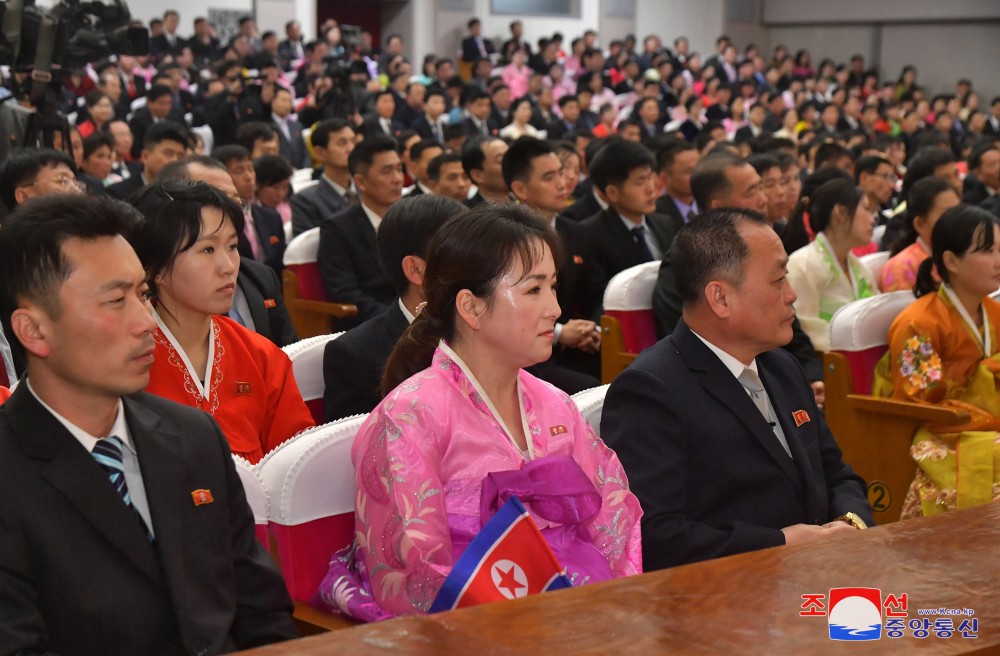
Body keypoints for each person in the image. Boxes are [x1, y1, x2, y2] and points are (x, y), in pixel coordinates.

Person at [0, 193, 297, 653]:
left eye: (142, 294)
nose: (145, 321)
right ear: (34, 331)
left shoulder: (193, 435)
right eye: (116, 300)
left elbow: (260, 609)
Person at [313, 205, 642, 620]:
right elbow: (413, 577)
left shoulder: (554, 403)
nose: (556, 309)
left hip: (575, 608)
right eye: (534, 290)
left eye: (554, 287)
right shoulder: (408, 419)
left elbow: (613, 521)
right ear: (470, 307)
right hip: (475, 623)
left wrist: (613, 608)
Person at [602, 208, 872, 571]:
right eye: (778, 280)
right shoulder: (651, 391)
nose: (791, 295)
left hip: (817, 574)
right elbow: (653, 536)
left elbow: (837, 474)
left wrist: (848, 524)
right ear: (720, 298)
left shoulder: (781, 366)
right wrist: (781, 543)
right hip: (728, 596)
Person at [128, 180, 314, 463]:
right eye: (207, 250)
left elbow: (297, 464)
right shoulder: (125, 361)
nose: (229, 267)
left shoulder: (261, 356)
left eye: (232, 246)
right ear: (155, 268)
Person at [874, 205, 1000, 518]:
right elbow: (919, 403)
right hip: (939, 432)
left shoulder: (995, 314)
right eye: (987, 251)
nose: (998, 260)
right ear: (950, 260)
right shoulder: (919, 324)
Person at [323, 195, 466, 420]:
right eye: (461, 255)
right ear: (415, 270)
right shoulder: (356, 355)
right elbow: (357, 448)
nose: (479, 269)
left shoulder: (493, 329)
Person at [317, 137, 404, 326]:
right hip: (371, 325)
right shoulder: (338, 229)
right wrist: (399, 319)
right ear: (361, 182)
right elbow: (345, 293)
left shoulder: (411, 219)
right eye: (387, 171)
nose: (398, 179)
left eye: (399, 169)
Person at [786, 178, 880, 353]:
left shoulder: (860, 268)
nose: (873, 219)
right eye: (866, 209)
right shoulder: (802, 264)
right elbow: (806, 333)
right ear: (841, 212)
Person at [882, 177, 961, 292]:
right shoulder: (901, 267)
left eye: (959, 211)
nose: (959, 220)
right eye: (948, 214)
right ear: (920, 224)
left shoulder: (966, 254)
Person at [290, 118, 356, 236]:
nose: (351, 148)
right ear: (320, 152)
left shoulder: (368, 189)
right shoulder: (305, 202)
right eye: (342, 143)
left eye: (353, 141)